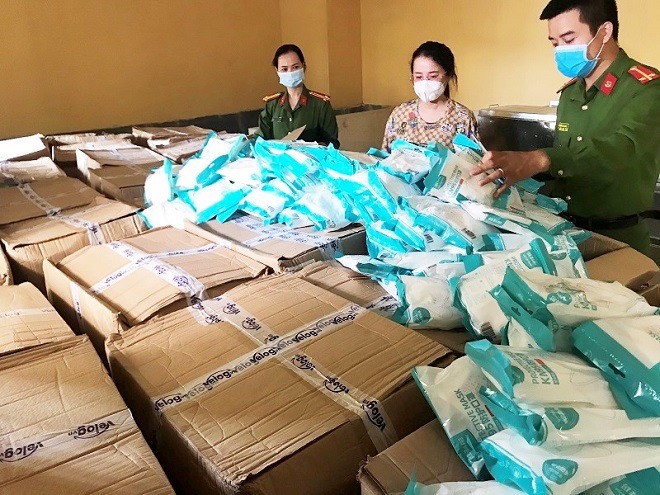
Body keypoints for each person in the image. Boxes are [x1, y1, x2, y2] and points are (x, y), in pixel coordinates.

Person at [472, 0, 660, 254]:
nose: (561, 50)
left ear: (605, 32)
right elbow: (566, 163)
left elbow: (622, 151)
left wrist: (540, 159)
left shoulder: (646, 89)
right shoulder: (571, 93)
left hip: (620, 239)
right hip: (568, 234)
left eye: (569, 39)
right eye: (555, 43)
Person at [382, 41, 478, 152]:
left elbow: (473, 160)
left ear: (448, 76)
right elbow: (385, 156)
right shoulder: (400, 114)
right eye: (419, 77)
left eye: (433, 76)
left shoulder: (463, 118)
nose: (425, 83)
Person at [258, 44, 340, 148]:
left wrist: (312, 147)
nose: (290, 72)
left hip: (311, 158)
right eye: (284, 69)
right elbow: (260, 139)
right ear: (277, 71)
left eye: (295, 67)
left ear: (303, 66)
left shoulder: (320, 105)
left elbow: (332, 143)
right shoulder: (272, 105)